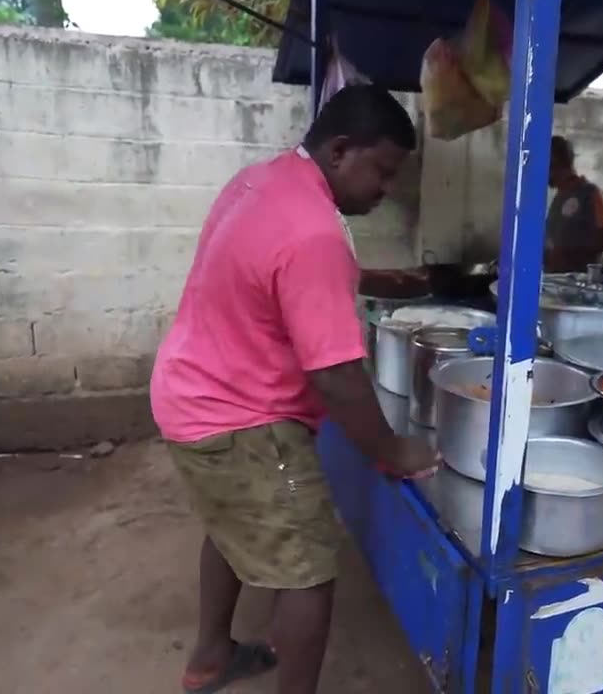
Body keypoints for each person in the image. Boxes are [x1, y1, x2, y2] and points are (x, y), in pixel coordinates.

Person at [150, 84, 440, 694]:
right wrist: (392, 452)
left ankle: (209, 658)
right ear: (340, 151)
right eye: (382, 173)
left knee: (232, 524)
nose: (386, 191)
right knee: (308, 571)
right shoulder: (316, 234)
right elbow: (335, 375)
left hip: (191, 390)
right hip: (240, 418)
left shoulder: (261, 180)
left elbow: (269, 274)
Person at [544, 135, 603, 273]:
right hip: (556, 284)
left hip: (581, 289)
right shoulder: (559, 197)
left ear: (554, 161)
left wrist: (564, 249)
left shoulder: (591, 193)